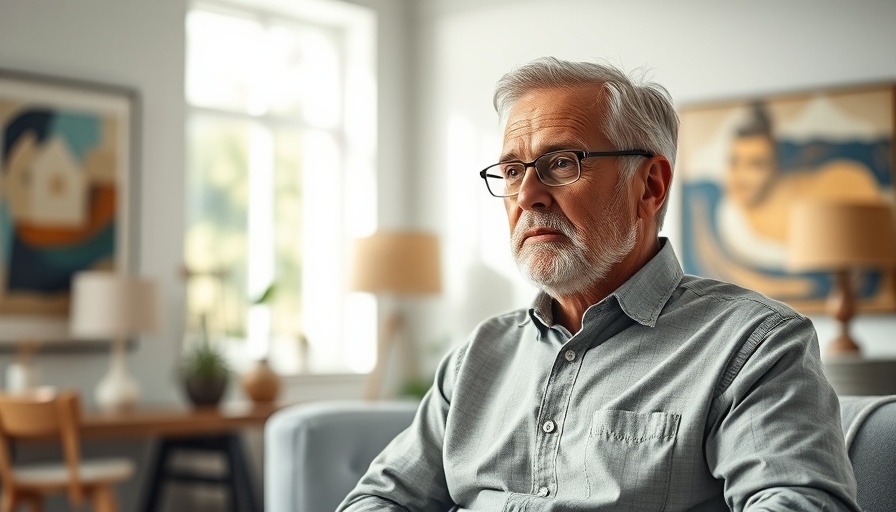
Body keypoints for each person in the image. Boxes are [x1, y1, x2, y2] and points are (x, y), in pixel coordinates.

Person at [338, 57, 860, 511]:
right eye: (513, 171)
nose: (528, 195)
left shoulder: (753, 344)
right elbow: (379, 500)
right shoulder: (479, 357)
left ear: (649, 187)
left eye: (561, 163)